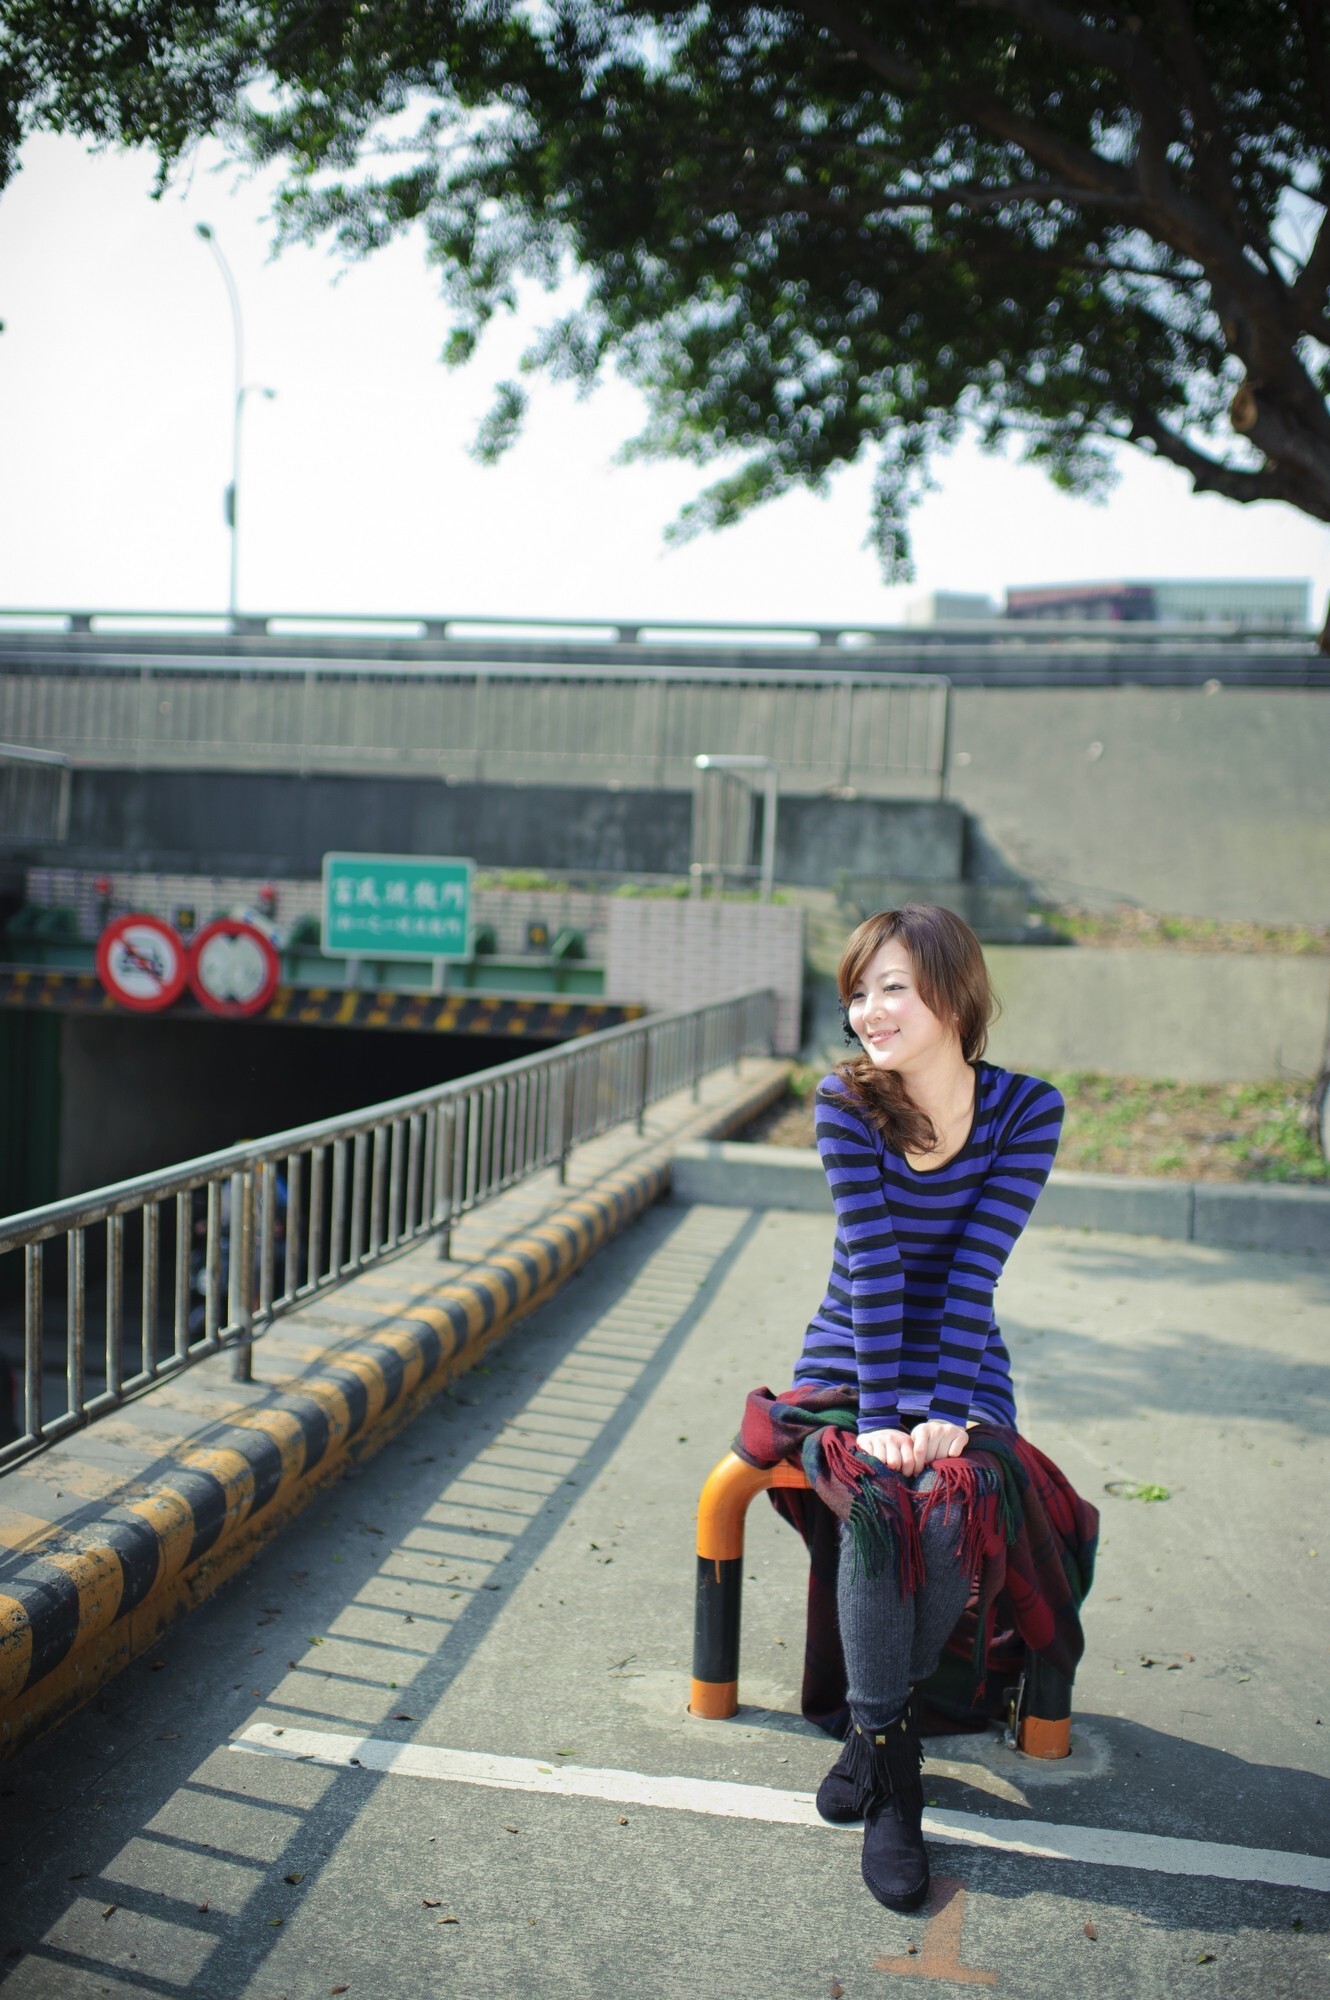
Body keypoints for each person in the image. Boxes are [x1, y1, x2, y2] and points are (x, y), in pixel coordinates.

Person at [794, 903, 1064, 1912]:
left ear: (951, 991)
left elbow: (969, 1275)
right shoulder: (843, 1101)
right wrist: (874, 1417)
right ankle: (893, 1774)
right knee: (876, 1499)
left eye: (891, 985)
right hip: (848, 1353)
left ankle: (867, 1741)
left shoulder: (1026, 1110)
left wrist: (946, 1406)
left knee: (948, 1499)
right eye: (857, 991)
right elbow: (871, 1265)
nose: (868, 1010)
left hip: (959, 1357)